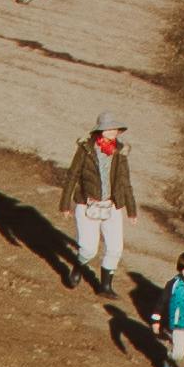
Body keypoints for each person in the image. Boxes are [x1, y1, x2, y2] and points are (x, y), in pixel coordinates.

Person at [60, 119, 133, 292]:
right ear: (100, 131)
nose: (113, 132)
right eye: (110, 129)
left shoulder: (120, 152)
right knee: (88, 248)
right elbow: (72, 176)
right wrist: (65, 204)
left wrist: (131, 209)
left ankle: (105, 286)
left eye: (116, 129)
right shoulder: (86, 150)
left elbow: (125, 181)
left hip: (112, 205)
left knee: (115, 248)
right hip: (87, 204)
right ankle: (78, 267)